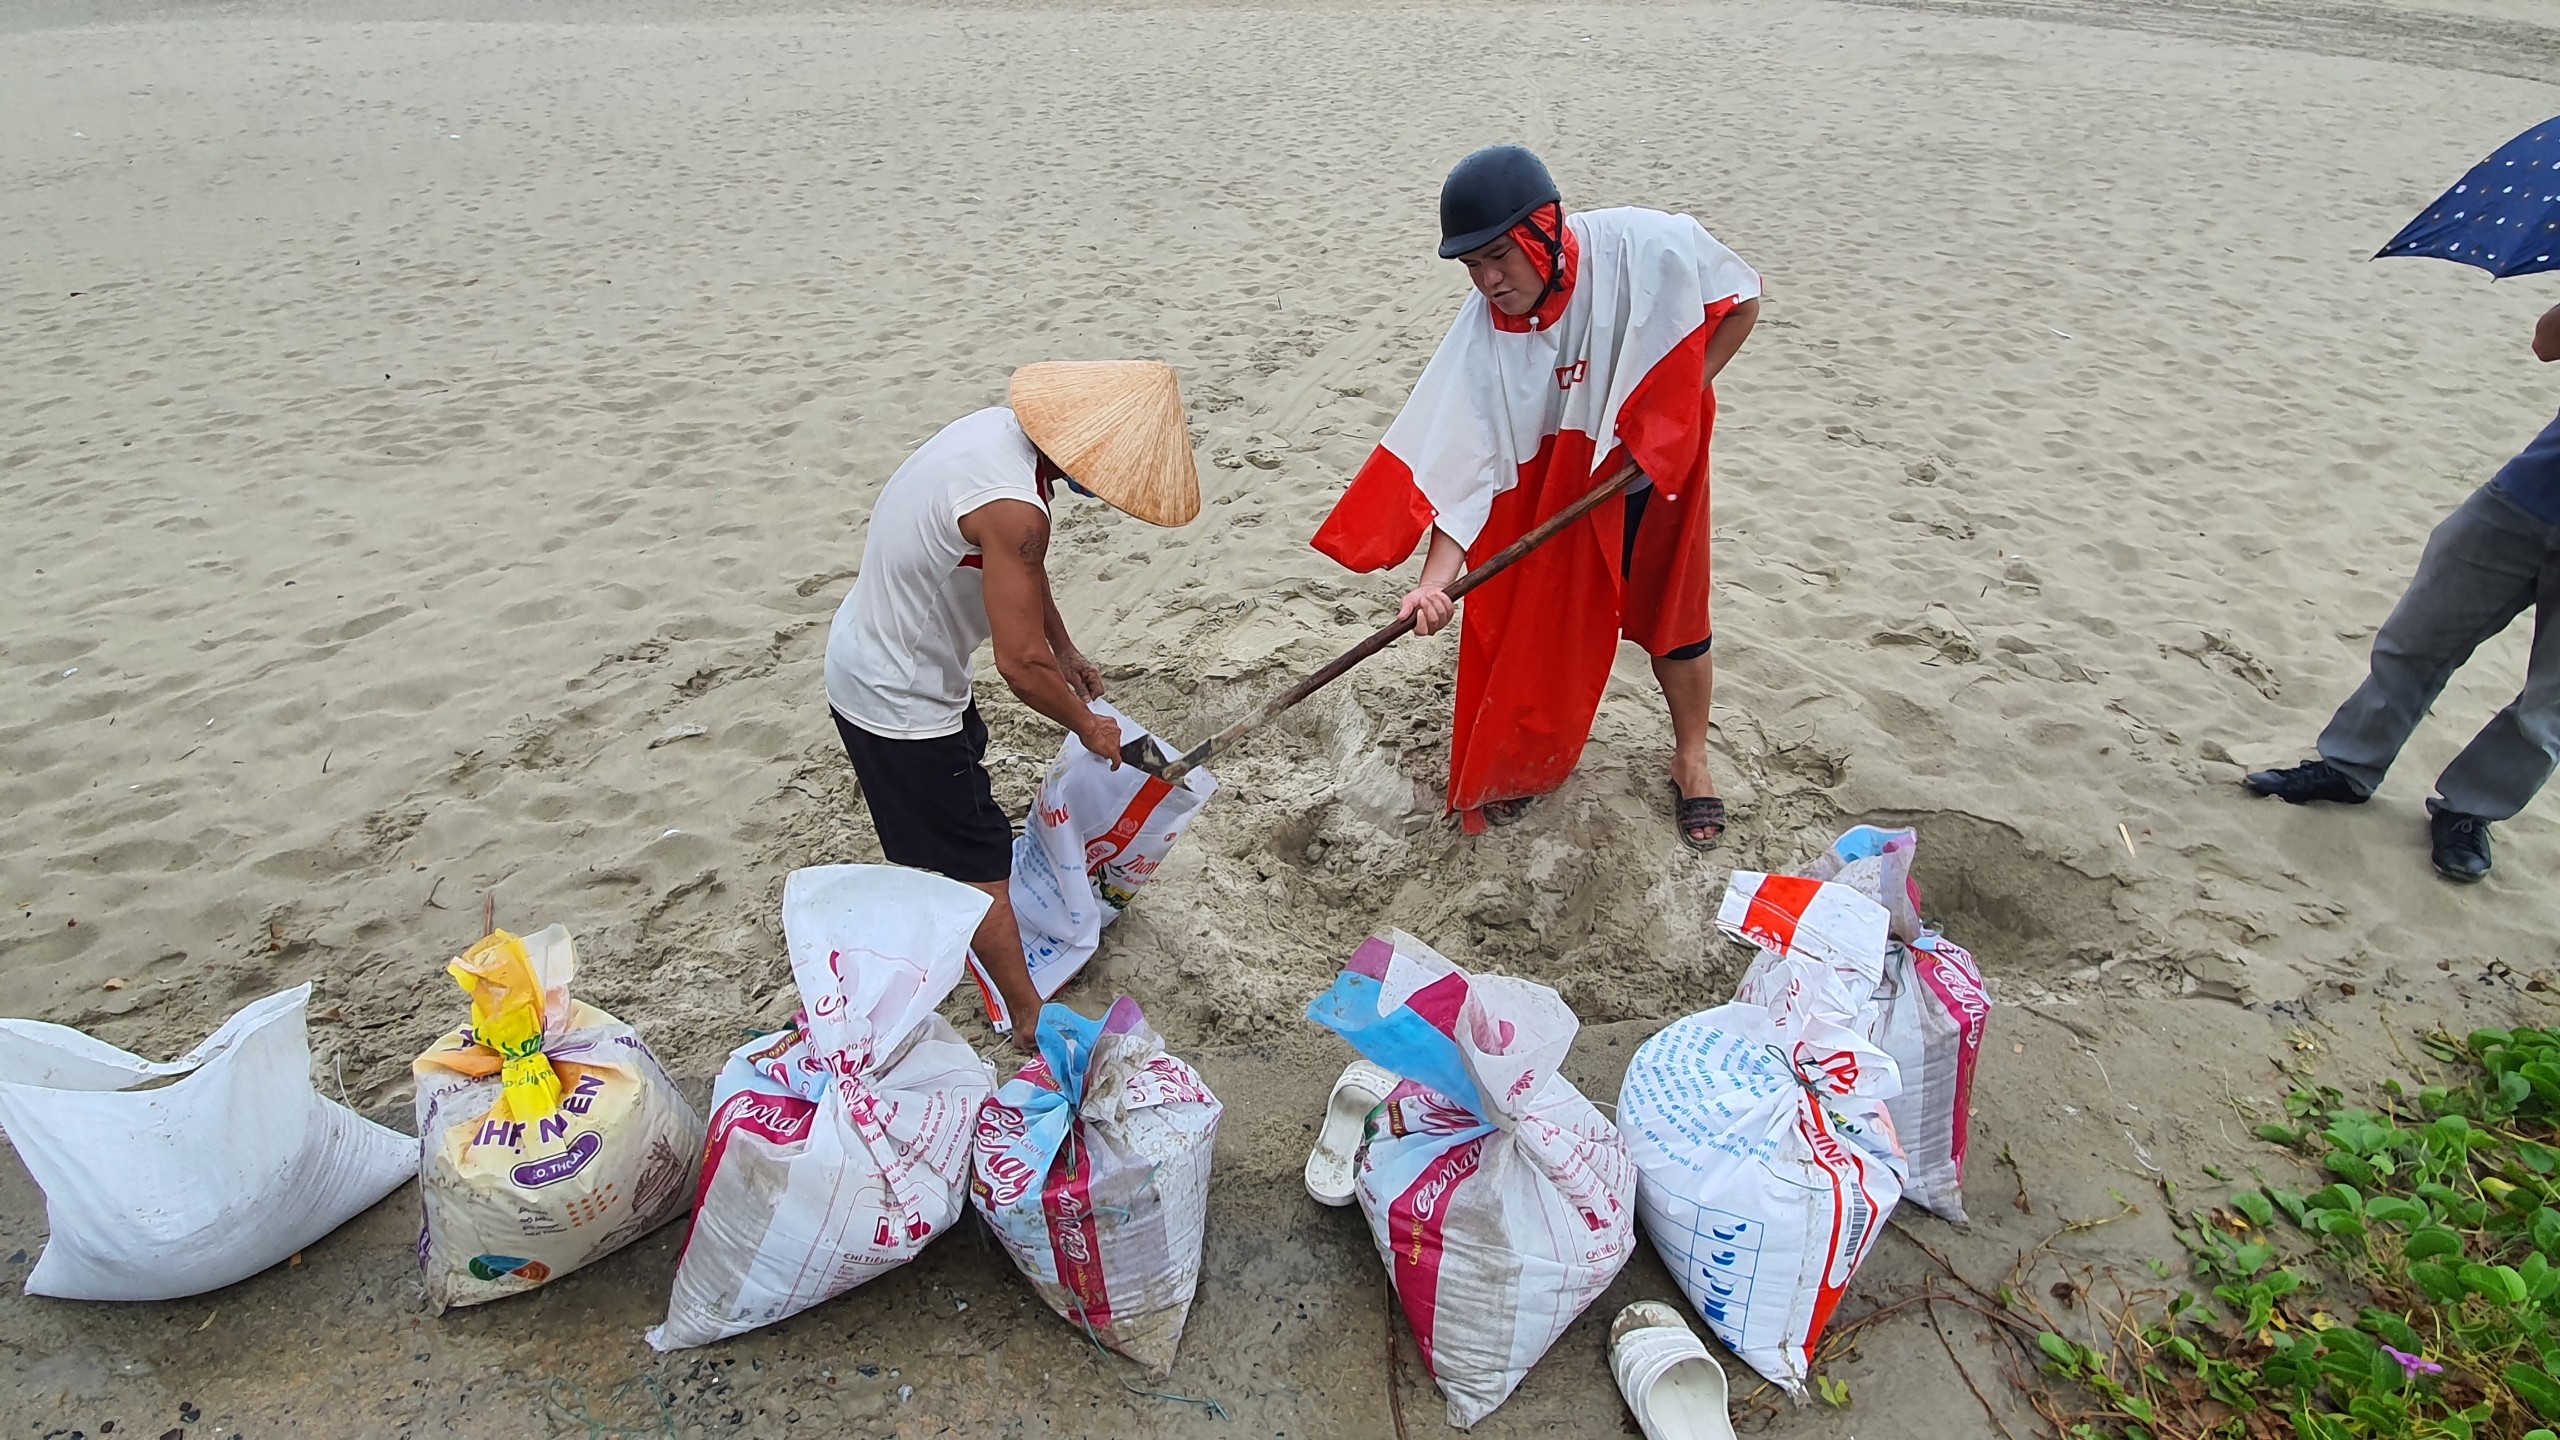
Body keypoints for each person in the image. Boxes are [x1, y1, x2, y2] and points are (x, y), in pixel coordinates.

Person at [1311, 145, 1760, 846]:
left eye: (1499, 256)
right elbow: (1462, 467)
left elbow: (1741, 301)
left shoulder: (1646, 245)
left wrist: (1671, 409)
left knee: (1673, 610)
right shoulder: (1481, 338)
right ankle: (1524, 765)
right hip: (1566, 475)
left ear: (1543, 230)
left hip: (1654, 464)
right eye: (1471, 266)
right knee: (1545, 618)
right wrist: (1434, 586)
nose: (1487, 280)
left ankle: (1692, 759)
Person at [823, 361, 1200, 1043]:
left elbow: (1023, 580)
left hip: (876, 652)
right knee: (978, 859)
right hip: (897, 698)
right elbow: (1019, 667)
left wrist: (1068, 651)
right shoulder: (1017, 509)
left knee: (947, 814)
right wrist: (1088, 726)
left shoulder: (996, 438)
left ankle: (942, 903)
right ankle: (1028, 1015)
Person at [2245, 303, 2560, 882]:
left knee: (2549, 706)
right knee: (2415, 640)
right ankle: (2347, 767)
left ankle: (2469, 811)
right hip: (2524, 499)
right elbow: (2547, 342)